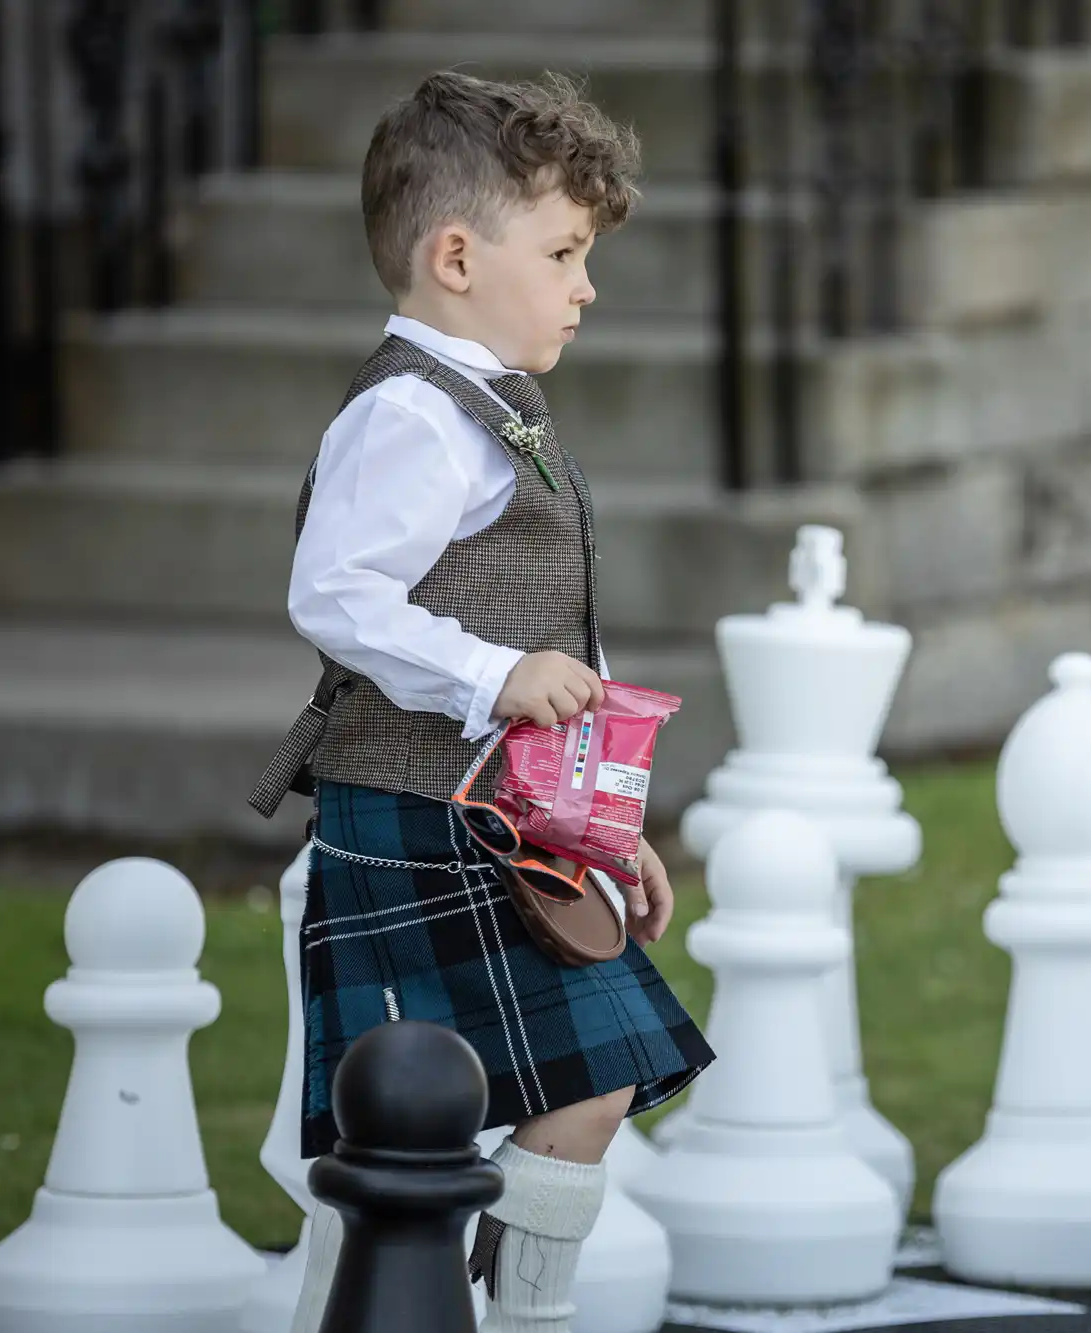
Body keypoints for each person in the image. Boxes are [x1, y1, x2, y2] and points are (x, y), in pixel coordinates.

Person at [246, 69, 714, 1333]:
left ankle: (498, 1309)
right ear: (456, 255)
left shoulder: (494, 407)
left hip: (494, 818)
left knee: (595, 1073)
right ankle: (418, 1307)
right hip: (407, 815)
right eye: (562, 251)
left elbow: (550, 637)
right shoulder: (410, 413)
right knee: (400, 1127)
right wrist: (491, 674)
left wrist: (611, 837)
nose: (585, 283)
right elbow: (336, 594)